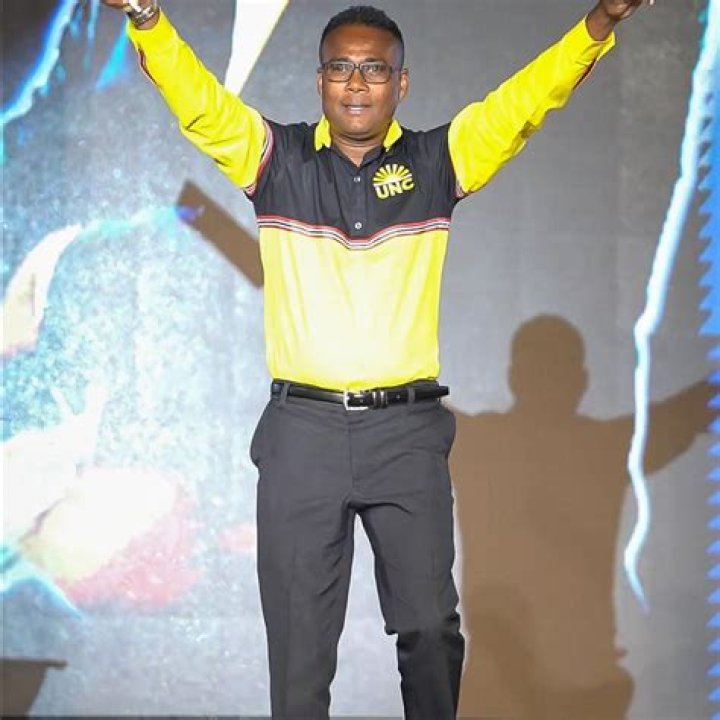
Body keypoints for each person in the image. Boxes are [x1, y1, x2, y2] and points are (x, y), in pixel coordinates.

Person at [100, 1, 651, 717]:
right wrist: (147, 16)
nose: (356, 84)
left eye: (374, 70)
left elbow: (521, 104)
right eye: (341, 68)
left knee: (429, 628)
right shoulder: (274, 158)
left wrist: (598, 24)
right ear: (319, 80)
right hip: (302, 435)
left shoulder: (438, 162)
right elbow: (199, 104)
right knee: (299, 654)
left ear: (401, 84)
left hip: (405, 434)